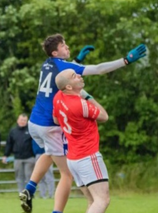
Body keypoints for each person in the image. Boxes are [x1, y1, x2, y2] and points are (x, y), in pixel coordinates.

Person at [19, 33, 146, 213]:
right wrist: (125, 60)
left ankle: (30, 187)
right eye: (64, 46)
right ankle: (56, 211)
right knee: (66, 174)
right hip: (51, 126)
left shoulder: (47, 64)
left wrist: (77, 60)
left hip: (35, 122)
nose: (68, 48)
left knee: (49, 152)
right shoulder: (76, 98)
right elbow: (99, 69)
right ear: (55, 53)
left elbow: (64, 77)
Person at [53, 69, 110, 213]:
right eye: (74, 76)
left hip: (73, 160)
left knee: (92, 201)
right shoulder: (80, 104)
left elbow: (55, 120)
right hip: (88, 157)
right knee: (102, 200)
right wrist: (87, 96)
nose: (79, 76)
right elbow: (104, 116)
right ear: (69, 87)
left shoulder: (58, 97)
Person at [2, 113, 36, 192]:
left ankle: (29, 193)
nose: (22, 121)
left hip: (29, 157)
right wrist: (5, 155)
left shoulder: (30, 130)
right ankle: (21, 193)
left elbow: (35, 143)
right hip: (17, 158)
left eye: (24, 120)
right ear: (18, 120)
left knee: (29, 176)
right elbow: (9, 144)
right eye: (21, 120)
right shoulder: (13, 131)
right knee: (19, 177)